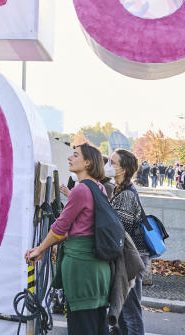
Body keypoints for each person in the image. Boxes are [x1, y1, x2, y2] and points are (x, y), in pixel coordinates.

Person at [25, 143, 110, 334]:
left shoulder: (80, 190)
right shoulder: (99, 188)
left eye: (75, 155)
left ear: (87, 162)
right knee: (97, 325)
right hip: (99, 268)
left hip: (82, 268)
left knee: (81, 325)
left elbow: (60, 229)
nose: (70, 158)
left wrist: (40, 248)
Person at [109, 149, 148, 335]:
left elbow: (119, 232)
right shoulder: (121, 190)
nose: (108, 166)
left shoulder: (126, 195)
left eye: (112, 162)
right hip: (130, 257)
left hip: (131, 260)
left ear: (122, 169)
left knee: (130, 312)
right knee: (124, 311)